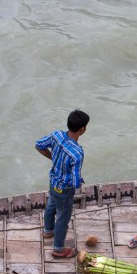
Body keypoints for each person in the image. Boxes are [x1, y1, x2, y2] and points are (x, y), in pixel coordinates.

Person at [35, 109, 90, 258]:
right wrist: (79, 183)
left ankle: (48, 231)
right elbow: (75, 181)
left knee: (51, 204)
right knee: (63, 218)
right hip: (64, 190)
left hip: (53, 181)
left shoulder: (56, 135)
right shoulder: (77, 153)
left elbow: (39, 145)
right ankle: (58, 249)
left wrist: (53, 158)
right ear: (82, 129)